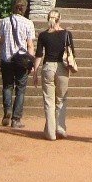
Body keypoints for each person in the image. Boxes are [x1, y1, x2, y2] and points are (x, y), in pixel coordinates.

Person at [33, 9, 73, 141]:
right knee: (61, 99)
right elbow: (72, 53)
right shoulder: (66, 34)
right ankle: (60, 128)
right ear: (59, 19)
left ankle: (50, 132)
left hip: (48, 67)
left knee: (48, 101)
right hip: (62, 67)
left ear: (48, 19)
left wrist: (35, 72)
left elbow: (39, 54)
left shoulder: (43, 35)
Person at [0, 0, 35, 128]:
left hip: (6, 58)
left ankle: (7, 110)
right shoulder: (28, 23)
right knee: (20, 89)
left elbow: (1, 42)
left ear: (14, 7)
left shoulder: (5, 21)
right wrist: (31, 63)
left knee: (7, 86)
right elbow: (30, 45)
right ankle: (16, 119)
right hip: (21, 60)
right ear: (24, 9)